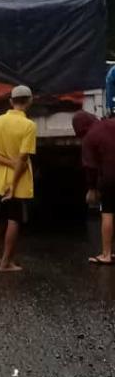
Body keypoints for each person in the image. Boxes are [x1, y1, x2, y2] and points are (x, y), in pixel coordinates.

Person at [0, 85, 37, 272]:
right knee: (14, 220)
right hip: (18, 182)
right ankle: (6, 262)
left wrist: (7, 163)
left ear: (10, 101)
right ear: (30, 101)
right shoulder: (29, 126)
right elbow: (22, 160)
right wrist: (13, 185)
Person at [72, 110, 115, 265]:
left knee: (108, 212)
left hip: (110, 177)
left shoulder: (89, 138)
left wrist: (92, 188)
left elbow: (90, 167)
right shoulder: (111, 123)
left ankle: (106, 254)